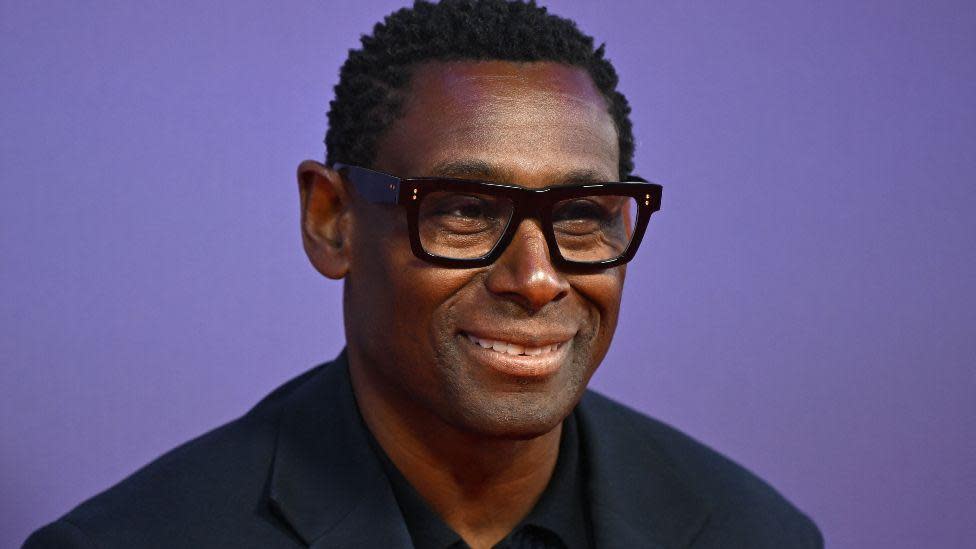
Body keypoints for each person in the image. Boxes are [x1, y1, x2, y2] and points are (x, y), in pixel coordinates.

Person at [25, 1, 822, 547]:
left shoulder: (756, 531)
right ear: (331, 219)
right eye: (465, 210)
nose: (537, 278)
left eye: (581, 215)